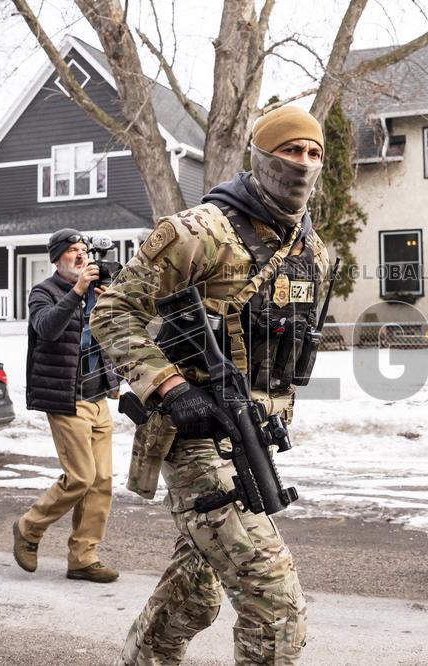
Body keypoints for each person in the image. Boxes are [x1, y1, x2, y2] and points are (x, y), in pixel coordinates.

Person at [90, 105, 331, 664]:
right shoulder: (199, 232)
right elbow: (113, 313)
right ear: (261, 156)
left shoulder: (311, 251)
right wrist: (171, 386)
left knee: (194, 596)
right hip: (193, 436)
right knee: (275, 604)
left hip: (250, 434)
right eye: (290, 150)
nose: (302, 162)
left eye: (313, 152)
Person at [11, 229, 120, 583]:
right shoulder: (45, 292)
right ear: (57, 259)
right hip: (66, 398)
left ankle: (83, 557)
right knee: (81, 477)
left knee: (101, 481)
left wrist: (109, 303)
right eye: (71, 251)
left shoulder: (96, 292)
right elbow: (48, 328)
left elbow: (112, 336)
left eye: (82, 250)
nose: (80, 255)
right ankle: (29, 528)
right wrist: (77, 293)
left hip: (97, 396)